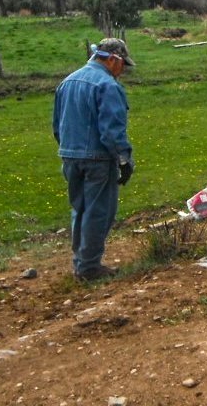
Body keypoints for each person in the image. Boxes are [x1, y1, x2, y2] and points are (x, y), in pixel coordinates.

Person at [53, 38, 136, 282]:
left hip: (70, 155)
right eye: (122, 65)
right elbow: (112, 131)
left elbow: (57, 125)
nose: (122, 72)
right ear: (112, 59)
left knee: (79, 208)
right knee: (99, 211)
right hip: (97, 158)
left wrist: (68, 149)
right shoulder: (107, 86)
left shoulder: (67, 82)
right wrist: (123, 160)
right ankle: (89, 267)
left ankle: (80, 262)